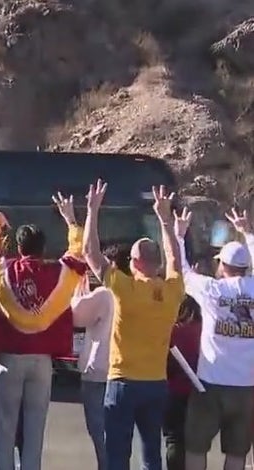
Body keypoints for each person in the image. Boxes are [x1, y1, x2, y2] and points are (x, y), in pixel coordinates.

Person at [0, 195, 87, 470]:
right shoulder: (60, 273)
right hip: (42, 361)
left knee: (5, 425)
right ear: (44, 247)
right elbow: (78, 251)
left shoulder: (2, 271)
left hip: (10, 358)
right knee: (35, 426)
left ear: (19, 247)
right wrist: (70, 220)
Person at [82, 181, 184, 470]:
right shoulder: (173, 291)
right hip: (156, 383)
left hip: (123, 382)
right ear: (155, 263)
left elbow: (91, 252)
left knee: (117, 455)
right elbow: (175, 258)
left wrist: (92, 210)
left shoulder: (125, 289)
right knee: (152, 455)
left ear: (135, 263)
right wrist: (165, 220)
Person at [175, 207, 254, 470]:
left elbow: (183, 272)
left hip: (209, 383)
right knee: (237, 453)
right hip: (246, 385)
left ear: (223, 265)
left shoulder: (212, 290)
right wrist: (247, 233)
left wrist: (178, 235)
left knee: (196, 448)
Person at [71, 245, 124, 470]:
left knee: (100, 431)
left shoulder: (105, 293)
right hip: (127, 371)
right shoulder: (137, 290)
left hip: (99, 371)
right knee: (120, 433)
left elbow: (76, 316)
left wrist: (78, 291)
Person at [163, 296, 202, 470]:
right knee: (195, 444)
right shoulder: (205, 332)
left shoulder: (172, 332)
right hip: (200, 392)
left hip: (173, 390)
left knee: (174, 440)